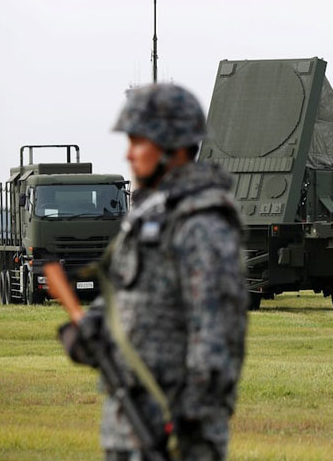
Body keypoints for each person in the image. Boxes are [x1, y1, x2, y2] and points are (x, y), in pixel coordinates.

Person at [59, 83, 247, 460]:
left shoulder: (200, 223)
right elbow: (127, 295)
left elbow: (216, 335)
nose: (129, 155)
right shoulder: (148, 217)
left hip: (174, 436)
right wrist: (95, 328)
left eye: (139, 142)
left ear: (173, 148)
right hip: (127, 429)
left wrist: (188, 426)